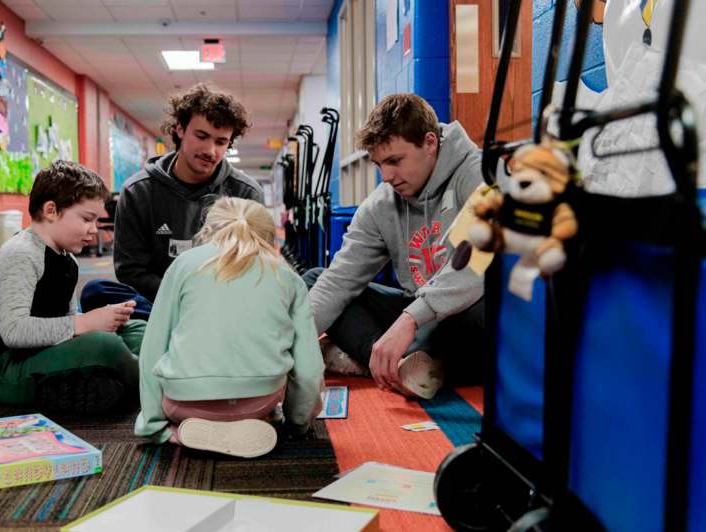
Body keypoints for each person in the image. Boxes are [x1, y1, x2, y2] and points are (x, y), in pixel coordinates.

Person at [305, 93, 485, 400]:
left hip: (467, 311)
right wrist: (285, 351)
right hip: (419, 315)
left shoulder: (480, 175)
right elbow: (339, 281)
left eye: (394, 161)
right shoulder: (382, 204)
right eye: (379, 164)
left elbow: (476, 264)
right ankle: (399, 365)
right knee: (315, 279)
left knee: (484, 310)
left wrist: (410, 319)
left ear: (430, 143)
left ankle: (374, 359)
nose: (386, 176)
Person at [135, 197, 324, 458]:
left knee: (175, 379)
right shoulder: (287, 276)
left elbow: (153, 346)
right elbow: (309, 368)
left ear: (207, 231)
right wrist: (297, 423)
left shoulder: (184, 265)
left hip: (185, 403)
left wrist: (154, 426)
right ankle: (252, 423)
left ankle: (179, 433)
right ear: (269, 237)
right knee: (276, 376)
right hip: (258, 401)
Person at [0, 161, 146, 414]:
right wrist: (85, 324)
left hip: (43, 354)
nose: (93, 229)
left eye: (97, 221)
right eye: (87, 219)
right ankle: (157, 384)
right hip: (6, 370)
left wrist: (103, 320)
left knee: (136, 329)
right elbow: (14, 331)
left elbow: (64, 326)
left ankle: (117, 384)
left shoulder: (68, 261)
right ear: (51, 210)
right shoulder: (20, 254)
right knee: (104, 345)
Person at [81, 84, 264, 317]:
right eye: (202, 136)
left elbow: (251, 268)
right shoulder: (138, 191)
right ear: (179, 129)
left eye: (221, 142)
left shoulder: (245, 194)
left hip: (220, 305)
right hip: (160, 301)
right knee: (96, 292)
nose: (210, 150)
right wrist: (183, 297)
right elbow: (131, 270)